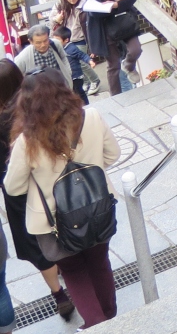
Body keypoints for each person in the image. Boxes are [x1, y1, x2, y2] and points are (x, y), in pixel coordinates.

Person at [4, 73, 120, 328]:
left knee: (74, 272)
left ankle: (97, 324)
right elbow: (113, 155)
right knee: (100, 263)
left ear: (27, 102)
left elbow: (13, 187)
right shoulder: (91, 117)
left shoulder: (27, 140)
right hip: (98, 208)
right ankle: (110, 317)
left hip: (53, 222)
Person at [0, 65, 73, 321]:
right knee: (62, 230)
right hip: (49, 181)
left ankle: (59, 295)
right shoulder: (34, 107)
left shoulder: (3, 120)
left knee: (36, 244)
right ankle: (68, 270)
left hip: (19, 193)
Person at [83, 0, 142, 95]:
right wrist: (118, 0)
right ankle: (116, 97)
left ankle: (128, 66)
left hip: (124, 22)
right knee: (113, 65)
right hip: (104, 28)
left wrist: (113, 4)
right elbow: (94, 12)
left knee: (136, 49)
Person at [53, 0, 100, 96]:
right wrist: (57, 19)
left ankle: (95, 80)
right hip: (65, 38)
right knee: (73, 63)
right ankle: (86, 82)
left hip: (80, 38)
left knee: (81, 62)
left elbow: (92, 26)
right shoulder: (60, 5)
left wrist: (93, 45)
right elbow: (51, 21)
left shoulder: (85, 4)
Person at [52, 26, 92, 104]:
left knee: (79, 92)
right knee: (70, 93)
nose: (55, 42)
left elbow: (82, 55)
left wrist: (89, 60)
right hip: (67, 76)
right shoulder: (57, 48)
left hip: (75, 77)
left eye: (57, 40)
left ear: (66, 40)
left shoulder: (72, 48)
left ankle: (86, 105)